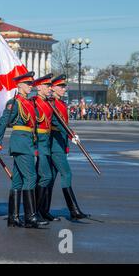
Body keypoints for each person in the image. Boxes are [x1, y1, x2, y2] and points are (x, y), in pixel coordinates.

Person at [0, 72, 49, 228]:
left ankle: (13, 217)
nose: (31, 86)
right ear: (19, 85)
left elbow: (35, 126)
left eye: (31, 84)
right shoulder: (14, 103)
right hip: (20, 144)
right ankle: (30, 216)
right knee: (31, 177)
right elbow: (3, 123)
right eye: (28, 84)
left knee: (17, 181)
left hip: (28, 143)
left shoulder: (29, 103)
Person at [49, 75, 89, 220]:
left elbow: (64, 124)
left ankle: (42, 210)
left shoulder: (61, 103)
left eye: (64, 86)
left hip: (61, 142)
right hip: (54, 143)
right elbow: (58, 124)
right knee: (66, 174)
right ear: (52, 88)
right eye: (61, 86)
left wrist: (71, 134)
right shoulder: (51, 103)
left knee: (50, 178)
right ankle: (74, 210)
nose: (64, 89)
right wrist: (71, 134)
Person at [32, 74, 61, 222]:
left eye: (50, 86)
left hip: (47, 143)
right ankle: (35, 211)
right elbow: (31, 126)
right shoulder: (34, 103)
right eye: (47, 86)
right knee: (45, 176)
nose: (50, 88)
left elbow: (56, 121)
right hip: (39, 145)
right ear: (39, 87)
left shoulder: (48, 103)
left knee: (45, 177)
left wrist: (72, 135)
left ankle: (42, 210)